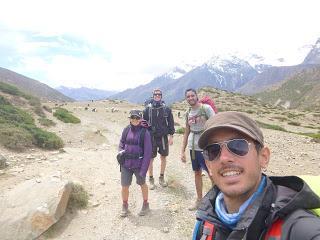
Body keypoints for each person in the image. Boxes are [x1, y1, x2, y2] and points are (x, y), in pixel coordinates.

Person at [193, 111, 320, 239]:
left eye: (238, 145)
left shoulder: (298, 228)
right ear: (208, 165)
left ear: (263, 157)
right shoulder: (205, 221)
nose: (224, 158)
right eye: (213, 150)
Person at [181, 88, 215, 211]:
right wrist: (182, 150)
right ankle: (199, 200)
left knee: (212, 174)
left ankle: (216, 200)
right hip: (193, 147)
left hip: (206, 146)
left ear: (196, 96)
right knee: (197, 172)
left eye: (192, 95)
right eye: (188, 96)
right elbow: (186, 131)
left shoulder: (205, 109)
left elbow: (215, 125)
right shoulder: (188, 112)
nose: (190, 98)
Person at [117, 109, 152, 217]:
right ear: (130, 119)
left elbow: (148, 153)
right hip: (126, 164)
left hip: (139, 165)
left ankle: (146, 204)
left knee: (142, 184)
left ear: (141, 119)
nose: (135, 120)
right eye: (133, 117)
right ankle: (125, 205)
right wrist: (120, 152)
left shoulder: (145, 132)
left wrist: (143, 170)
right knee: (124, 186)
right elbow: (122, 142)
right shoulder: (126, 129)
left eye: (137, 118)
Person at [143, 88, 175, 190]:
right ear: (153, 95)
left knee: (163, 157)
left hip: (163, 137)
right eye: (155, 94)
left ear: (161, 96)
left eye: (159, 94)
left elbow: (170, 123)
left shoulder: (166, 109)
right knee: (150, 159)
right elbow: (144, 123)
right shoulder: (147, 109)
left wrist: (171, 136)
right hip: (151, 137)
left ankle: (161, 178)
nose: (157, 96)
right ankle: (151, 179)